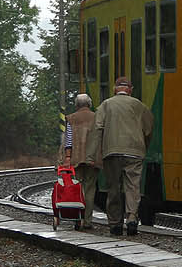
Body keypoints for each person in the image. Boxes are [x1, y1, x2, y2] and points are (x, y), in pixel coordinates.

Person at [94, 76, 153, 235]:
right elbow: (148, 129)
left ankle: (115, 224)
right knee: (133, 186)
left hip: (111, 151)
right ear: (130, 89)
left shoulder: (106, 105)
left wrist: (98, 151)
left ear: (115, 89)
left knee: (113, 187)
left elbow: (98, 128)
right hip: (134, 152)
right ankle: (132, 217)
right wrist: (143, 147)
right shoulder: (139, 105)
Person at [61, 94, 100, 231]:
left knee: (77, 188)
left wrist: (67, 157)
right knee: (90, 189)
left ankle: (78, 219)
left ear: (77, 105)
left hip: (76, 158)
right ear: (89, 104)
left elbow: (69, 140)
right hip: (92, 159)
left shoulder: (71, 118)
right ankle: (87, 221)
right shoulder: (97, 117)